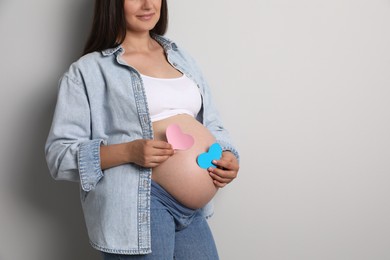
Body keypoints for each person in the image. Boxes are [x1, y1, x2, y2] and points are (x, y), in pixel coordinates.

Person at [45, 0, 240, 259]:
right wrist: (129, 152)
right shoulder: (87, 71)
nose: (148, 4)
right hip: (140, 206)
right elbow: (59, 157)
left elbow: (213, 125)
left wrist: (229, 156)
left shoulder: (181, 58)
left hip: (193, 212)